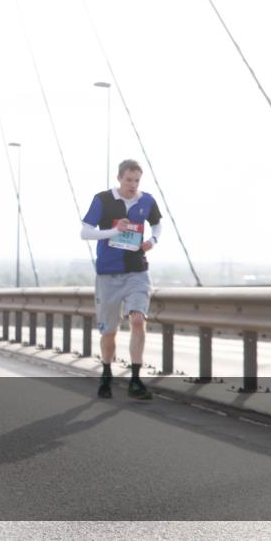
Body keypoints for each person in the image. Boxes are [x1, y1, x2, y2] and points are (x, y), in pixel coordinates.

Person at [80, 159, 162, 401]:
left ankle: (135, 380)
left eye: (136, 180)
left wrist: (153, 241)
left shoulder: (147, 201)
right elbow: (85, 232)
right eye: (128, 180)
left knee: (137, 320)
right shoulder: (103, 199)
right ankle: (106, 372)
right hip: (108, 273)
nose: (132, 185)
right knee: (109, 332)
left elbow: (157, 225)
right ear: (119, 178)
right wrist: (114, 232)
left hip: (137, 271)